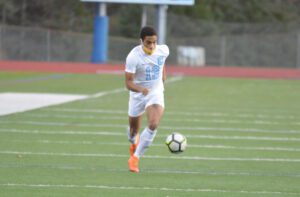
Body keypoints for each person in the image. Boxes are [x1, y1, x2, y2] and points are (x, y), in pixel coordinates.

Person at [125, 26, 169, 173]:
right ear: (141, 41)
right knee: (133, 132)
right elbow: (128, 83)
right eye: (148, 42)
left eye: (154, 42)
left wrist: (163, 77)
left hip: (155, 92)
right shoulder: (133, 57)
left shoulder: (163, 50)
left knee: (153, 123)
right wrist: (140, 90)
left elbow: (161, 62)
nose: (152, 46)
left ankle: (135, 158)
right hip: (137, 94)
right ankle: (133, 142)